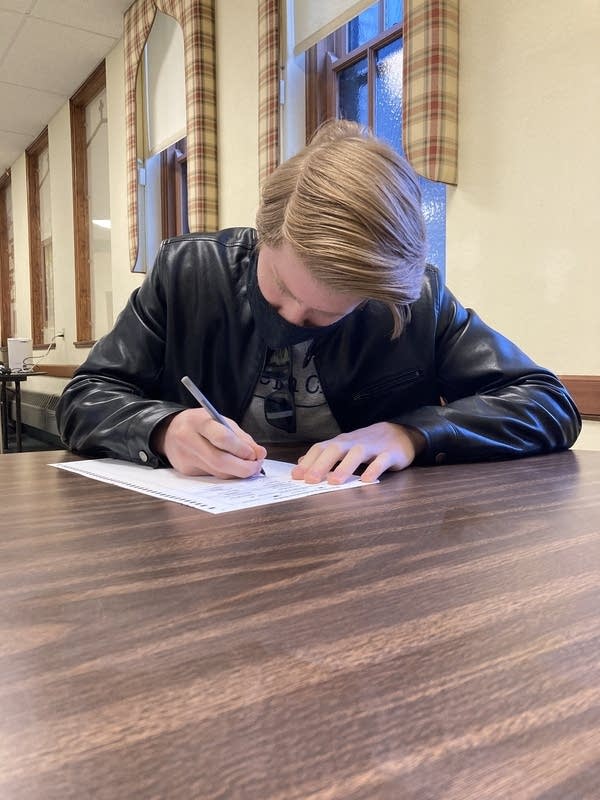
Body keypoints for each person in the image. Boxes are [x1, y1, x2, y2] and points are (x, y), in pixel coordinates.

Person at [56, 120, 581, 484]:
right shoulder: (188, 272)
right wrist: (164, 430)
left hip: (360, 534)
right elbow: (84, 397)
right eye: (282, 289)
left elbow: (547, 403)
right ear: (264, 235)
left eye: (327, 313)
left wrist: (412, 434)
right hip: (200, 539)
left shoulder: (414, 300)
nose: (294, 318)